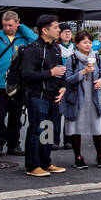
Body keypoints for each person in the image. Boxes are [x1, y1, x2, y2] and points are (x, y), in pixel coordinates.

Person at [0, 11, 37, 157]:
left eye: (10, 25)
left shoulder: (24, 38)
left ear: (17, 24)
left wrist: (22, 27)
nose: (7, 28)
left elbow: (36, 41)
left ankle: (14, 144)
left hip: (18, 84)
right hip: (0, 84)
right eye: (5, 25)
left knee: (16, 116)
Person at [20, 14, 67, 178]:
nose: (59, 30)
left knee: (49, 130)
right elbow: (26, 74)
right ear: (44, 30)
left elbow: (61, 72)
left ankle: (46, 161)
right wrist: (50, 72)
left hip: (53, 95)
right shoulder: (33, 49)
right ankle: (33, 165)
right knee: (37, 130)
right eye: (56, 27)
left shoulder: (55, 48)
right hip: (37, 95)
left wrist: (63, 87)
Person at [64, 31, 101, 169]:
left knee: (97, 129)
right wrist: (83, 72)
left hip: (93, 99)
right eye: (84, 42)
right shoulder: (72, 59)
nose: (88, 45)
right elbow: (67, 79)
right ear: (77, 44)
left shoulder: (97, 58)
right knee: (76, 128)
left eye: (89, 42)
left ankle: (100, 155)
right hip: (77, 100)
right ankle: (78, 156)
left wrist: (100, 81)